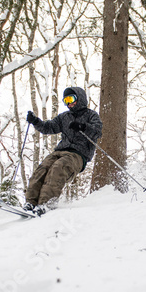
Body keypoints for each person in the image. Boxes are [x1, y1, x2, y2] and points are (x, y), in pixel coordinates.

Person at [24, 87, 102, 216]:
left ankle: (46, 204)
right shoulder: (64, 117)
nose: (69, 103)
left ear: (80, 98)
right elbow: (48, 127)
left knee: (58, 168)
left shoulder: (91, 115)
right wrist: (35, 121)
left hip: (78, 154)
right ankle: (30, 202)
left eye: (71, 99)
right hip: (60, 151)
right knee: (42, 168)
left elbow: (97, 131)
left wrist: (82, 126)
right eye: (66, 100)